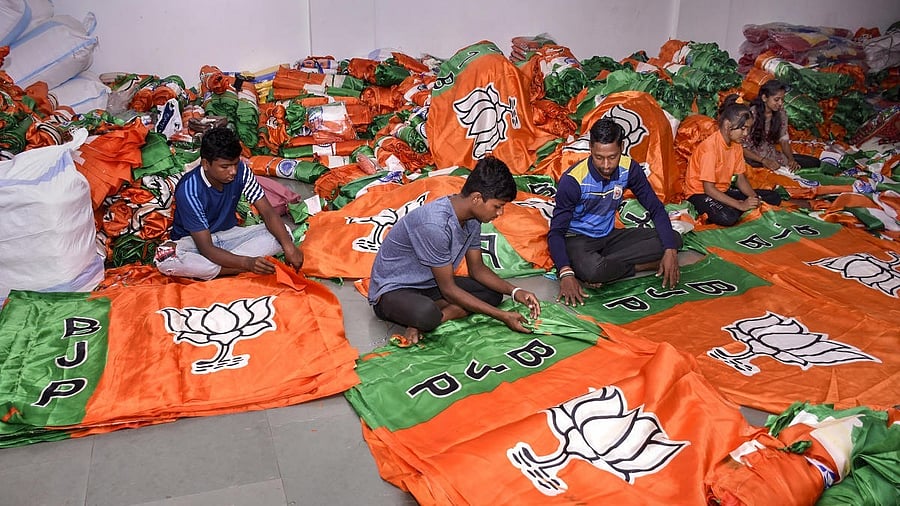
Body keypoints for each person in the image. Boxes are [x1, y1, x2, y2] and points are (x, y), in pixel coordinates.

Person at [368, 157, 541, 345]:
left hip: (430, 284)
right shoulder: (435, 224)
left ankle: (428, 319)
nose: (500, 213)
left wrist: (515, 291)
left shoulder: (472, 219)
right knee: (425, 314)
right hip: (393, 291)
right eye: (497, 206)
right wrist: (503, 316)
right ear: (476, 198)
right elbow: (449, 290)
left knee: (493, 294)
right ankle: (427, 318)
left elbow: (477, 269)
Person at [548, 118, 683, 307]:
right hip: (577, 239)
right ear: (590, 148)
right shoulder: (573, 181)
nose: (605, 165)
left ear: (622, 147)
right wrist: (565, 272)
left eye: (612, 157)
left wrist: (670, 251)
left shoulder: (630, 169)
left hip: (610, 236)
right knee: (593, 270)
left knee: (674, 239)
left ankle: (603, 268)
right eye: (599, 157)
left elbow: (656, 208)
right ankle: (638, 266)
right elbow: (556, 233)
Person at [156, 126, 303, 280]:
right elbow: (206, 248)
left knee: (283, 234)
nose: (233, 171)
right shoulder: (189, 190)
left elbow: (267, 212)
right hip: (194, 245)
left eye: (235, 164)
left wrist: (288, 247)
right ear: (206, 164)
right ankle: (230, 269)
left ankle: (222, 267)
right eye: (225, 167)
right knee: (165, 258)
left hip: (229, 237)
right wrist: (247, 263)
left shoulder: (241, 171)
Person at [685, 94, 783, 227]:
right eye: (743, 128)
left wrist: (755, 199)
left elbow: (740, 178)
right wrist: (740, 204)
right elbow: (709, 189)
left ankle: (737, 208)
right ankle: (735, 208)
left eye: (748, 129)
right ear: (727, 125)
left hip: (722, 191)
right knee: (727, 217)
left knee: (772, 197)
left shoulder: (736, 146)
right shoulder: (710, 148)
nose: (746, 134)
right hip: (700, 194)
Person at [743, 79, 820, 171]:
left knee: (814, 162)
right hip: (752, 159)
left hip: (771, 155)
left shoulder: (780, 113)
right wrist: (763, 160)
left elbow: (783, 140)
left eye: (782, 100)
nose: (780, 103)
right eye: (776, 99)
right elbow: (741, 148)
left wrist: (791, 160)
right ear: (764, 98)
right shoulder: (751, 115)